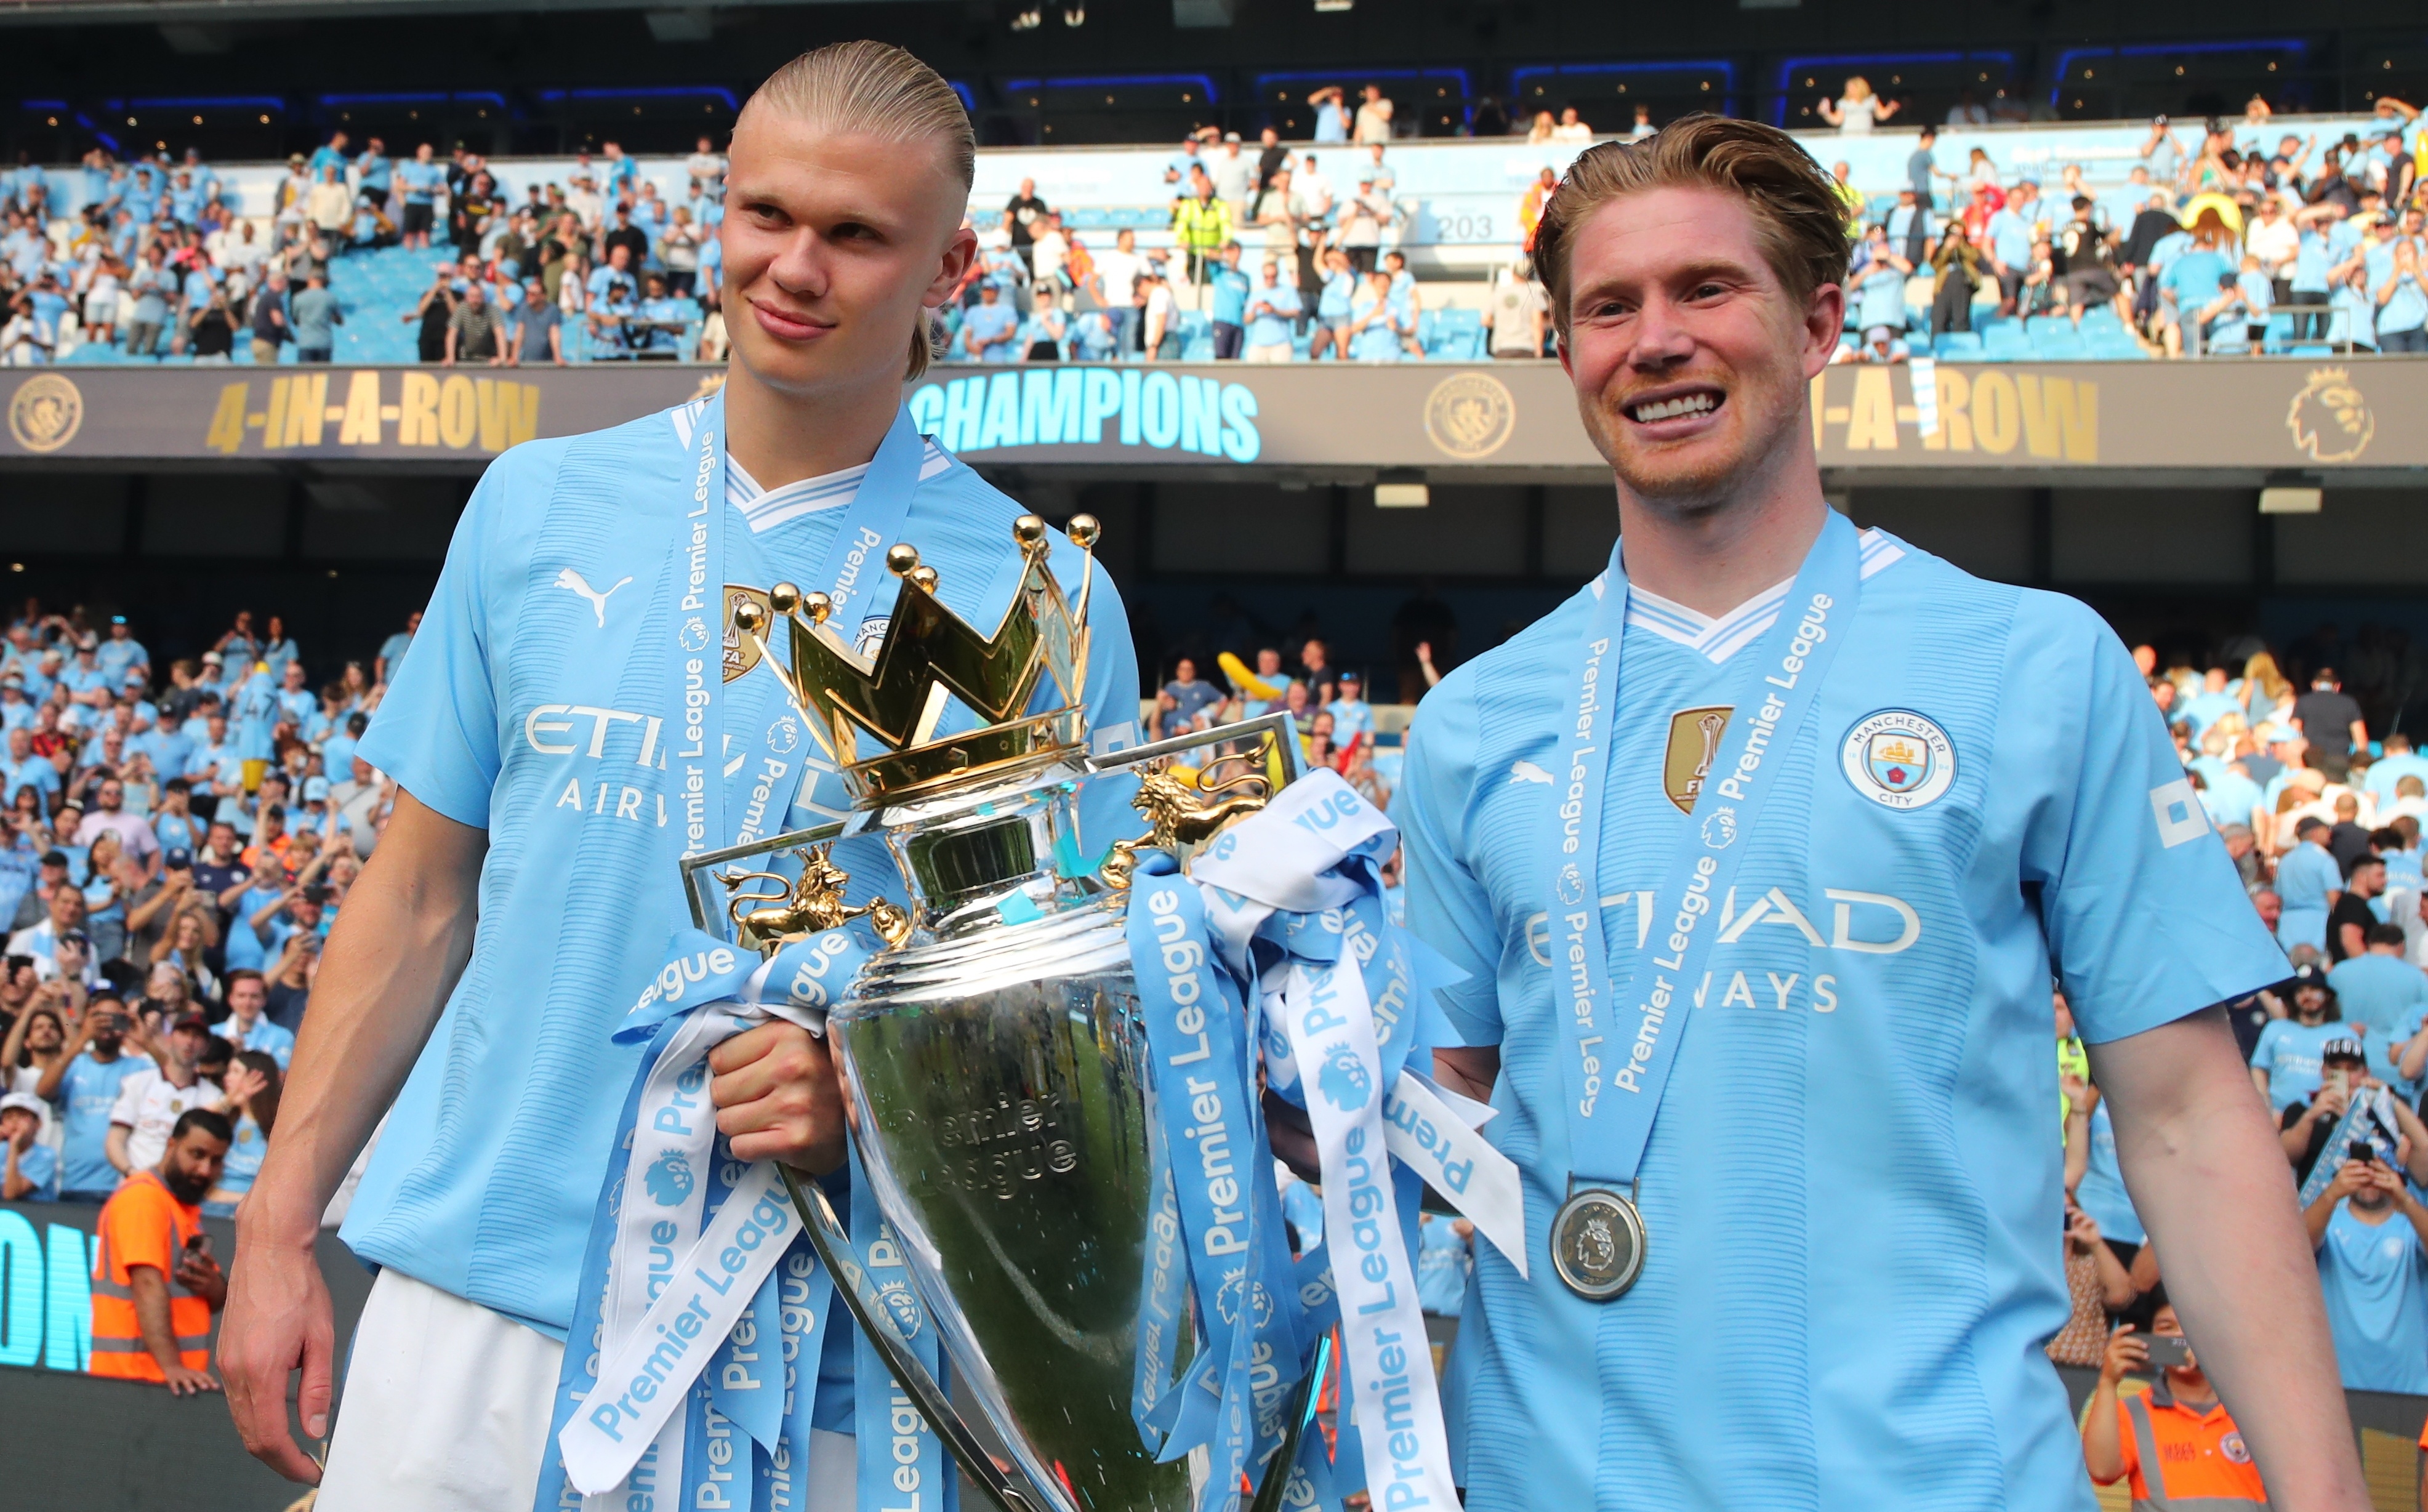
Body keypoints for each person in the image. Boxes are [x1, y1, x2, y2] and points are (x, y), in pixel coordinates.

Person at [219, 41, 1143, 1507]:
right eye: (765, 214)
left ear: (951, 267)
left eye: (856, 235)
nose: (795, 268)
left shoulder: (1043, 596)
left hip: (810, 1345)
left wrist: (876, 1100)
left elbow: (1071, 1023)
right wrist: (277, 1225)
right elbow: (416, 898)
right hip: (470, 1309)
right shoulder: (534, 503)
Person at [1393, 116, 2363, 1509]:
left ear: (1817, 324)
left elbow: (2185, 1123)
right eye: (1608, 307)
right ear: (1564, 354)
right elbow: (1450, 1115)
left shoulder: (2032, 664)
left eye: (1705, 289)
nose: (1654, 339)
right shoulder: (1473, 721)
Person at [2081, 1294, 2267, 1508]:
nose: (2180, 1335)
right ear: (2150, 1339)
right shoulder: (2133, 1411)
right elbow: (2102, 1470)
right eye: (2167, 1328)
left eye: (2191, 1325)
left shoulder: (2257, 1412)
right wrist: (2108, 1381)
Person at [2308, 1144, 2428, 1393]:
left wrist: (2405, 1198)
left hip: (2411, 1385)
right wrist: (2331, 1194)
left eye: (2377, 1169)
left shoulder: (2412, 1226)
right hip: (2341, 1384)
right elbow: (2297, 1246)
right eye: (2359, 1169)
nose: (2368, 1178)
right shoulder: (2327, 1224)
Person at [2293, 668, 2368, 784]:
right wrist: (2359, 765)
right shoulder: (2349, 703)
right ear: (2337, 686)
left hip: (2311, 760)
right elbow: (2361, 740)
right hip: (2340, 761)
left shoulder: (2303, 701)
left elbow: (2294, 732)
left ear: (2314, 685)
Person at [2328, 851, 2387, 963]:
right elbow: (2351, 941)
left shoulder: (2351, 903)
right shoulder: (2353, 904)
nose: (2385, 881)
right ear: (2361, 877)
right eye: (2380, 875)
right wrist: (2368, 969)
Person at [1, 1090, 57, 1200]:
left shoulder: (46, 1155)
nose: (15, 1121)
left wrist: (13, 1146)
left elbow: (10, 1194)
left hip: (37, 1209)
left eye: (22, 1116)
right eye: (9, 1117)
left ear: (38, 1124)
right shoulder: (2, 1149)